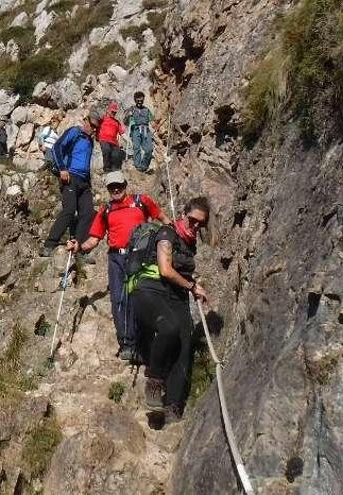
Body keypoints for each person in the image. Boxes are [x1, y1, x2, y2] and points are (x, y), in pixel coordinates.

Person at [67, 171, 172, 360]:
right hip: (116, 259)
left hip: (141, 258)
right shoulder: (105, 210)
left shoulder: (142, 201)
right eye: (111, 187)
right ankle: (127, 344)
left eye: (118, 185)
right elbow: (94, 239)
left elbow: (163, 218)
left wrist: (173, 235)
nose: (115, 189)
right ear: (108, 189)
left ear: (125, 184)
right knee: (119, 300)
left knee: (142, 298)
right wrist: (79, 247)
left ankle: (143, 345)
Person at [132, 197, 210, 424]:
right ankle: (154, 381)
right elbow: (165, 270)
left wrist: (189, 286)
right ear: (184, 214)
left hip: (177, 296)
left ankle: (173, 405)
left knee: (184, 347)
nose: (195, 226)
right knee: (168, 328)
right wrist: (193, 286)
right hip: (151, 289)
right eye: (193, 220)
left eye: (200, 225)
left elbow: (181, 273)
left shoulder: (189, 244)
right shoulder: (167, 233)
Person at [40, 112, 99, 259]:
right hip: (70, 177)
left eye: (96, 128)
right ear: (85, 121)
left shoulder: (90, 141)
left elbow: (86, 165)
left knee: (88, 213)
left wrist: (89, 183)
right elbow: (56, 148)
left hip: (84, 182)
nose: (94, 129)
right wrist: (62, 169)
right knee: (70, 210)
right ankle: (49, 244)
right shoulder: (75, 132)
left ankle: (80, 247)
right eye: (92, 126)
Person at [124, 91, 155, 172]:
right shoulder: (131, 109)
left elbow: (152, 122)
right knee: (136, 148)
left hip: (146, 130)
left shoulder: (147, 110)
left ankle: (144, 166)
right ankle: (138, 166)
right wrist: (128, 115)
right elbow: (125, 122)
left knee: (149, 149)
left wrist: (156, 125)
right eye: (138, 100)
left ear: (143, 100)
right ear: (135, 100)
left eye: (141, 100)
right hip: (136, 130)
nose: (140, 102)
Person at [98, 102, 126, 172]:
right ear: (108, 110)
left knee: (117, 154)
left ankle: (115, 170)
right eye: (112, 111)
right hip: (104, 139)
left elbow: (122, 133)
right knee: (107, 149)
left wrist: (128, 140)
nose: (114, 113)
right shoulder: (103, 118)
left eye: (115, 112)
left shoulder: (117, 122)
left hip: (114, 142)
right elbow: (94, 122)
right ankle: (107, 169)